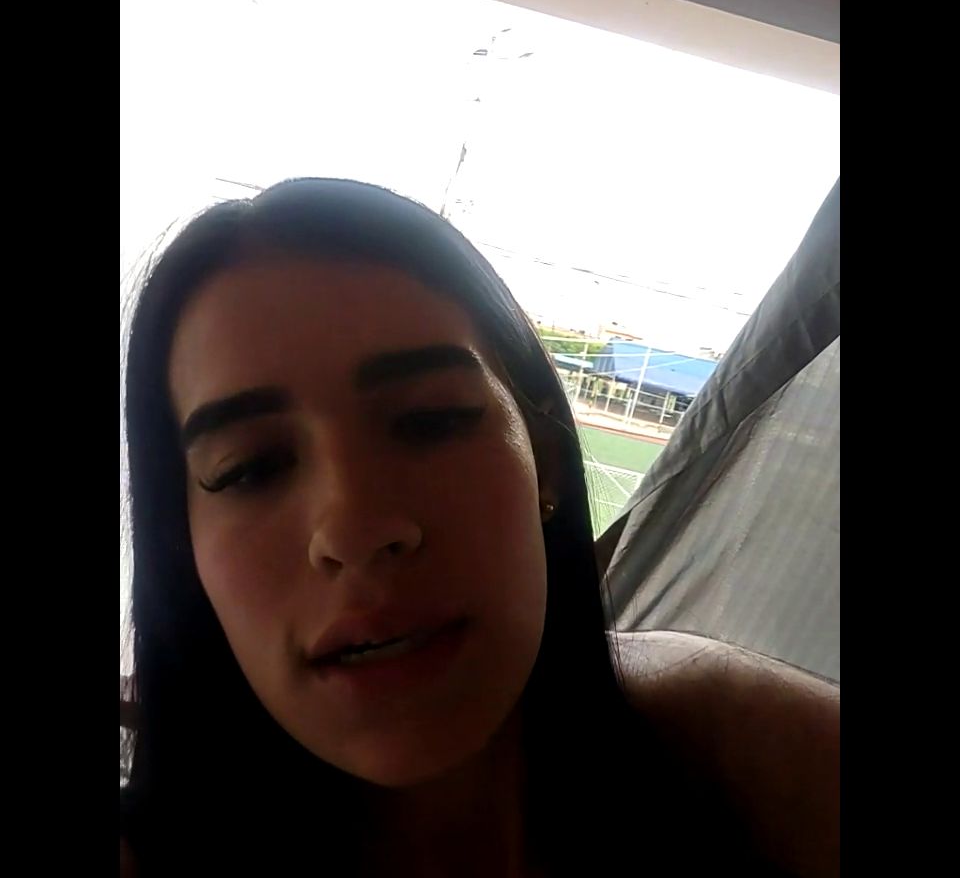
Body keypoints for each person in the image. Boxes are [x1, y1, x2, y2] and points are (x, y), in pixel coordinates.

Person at [119, 178, 839, 877]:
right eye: (249, 468)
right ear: (183, 544)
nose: (354, 527)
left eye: (431, 420)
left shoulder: (737, 749)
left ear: (545, 461)